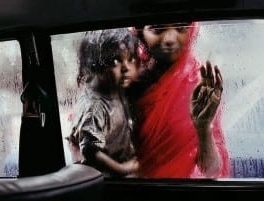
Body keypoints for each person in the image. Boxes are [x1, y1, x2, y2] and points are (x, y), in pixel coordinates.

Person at [131, 22, 229, 178]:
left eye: (181, 28)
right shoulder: (125, 77)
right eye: (158, 29)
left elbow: (211, 173)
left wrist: (204, 129)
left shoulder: (199, 85)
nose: (170, 38)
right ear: (140, 33)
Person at [66, 28, 141, 177]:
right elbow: (90, 151)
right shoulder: (95, 106)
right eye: (115, 61)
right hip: (105, 178)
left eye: (130, 58)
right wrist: (122, 169)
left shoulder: (115, 88)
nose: (126, 68)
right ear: (96, 65)